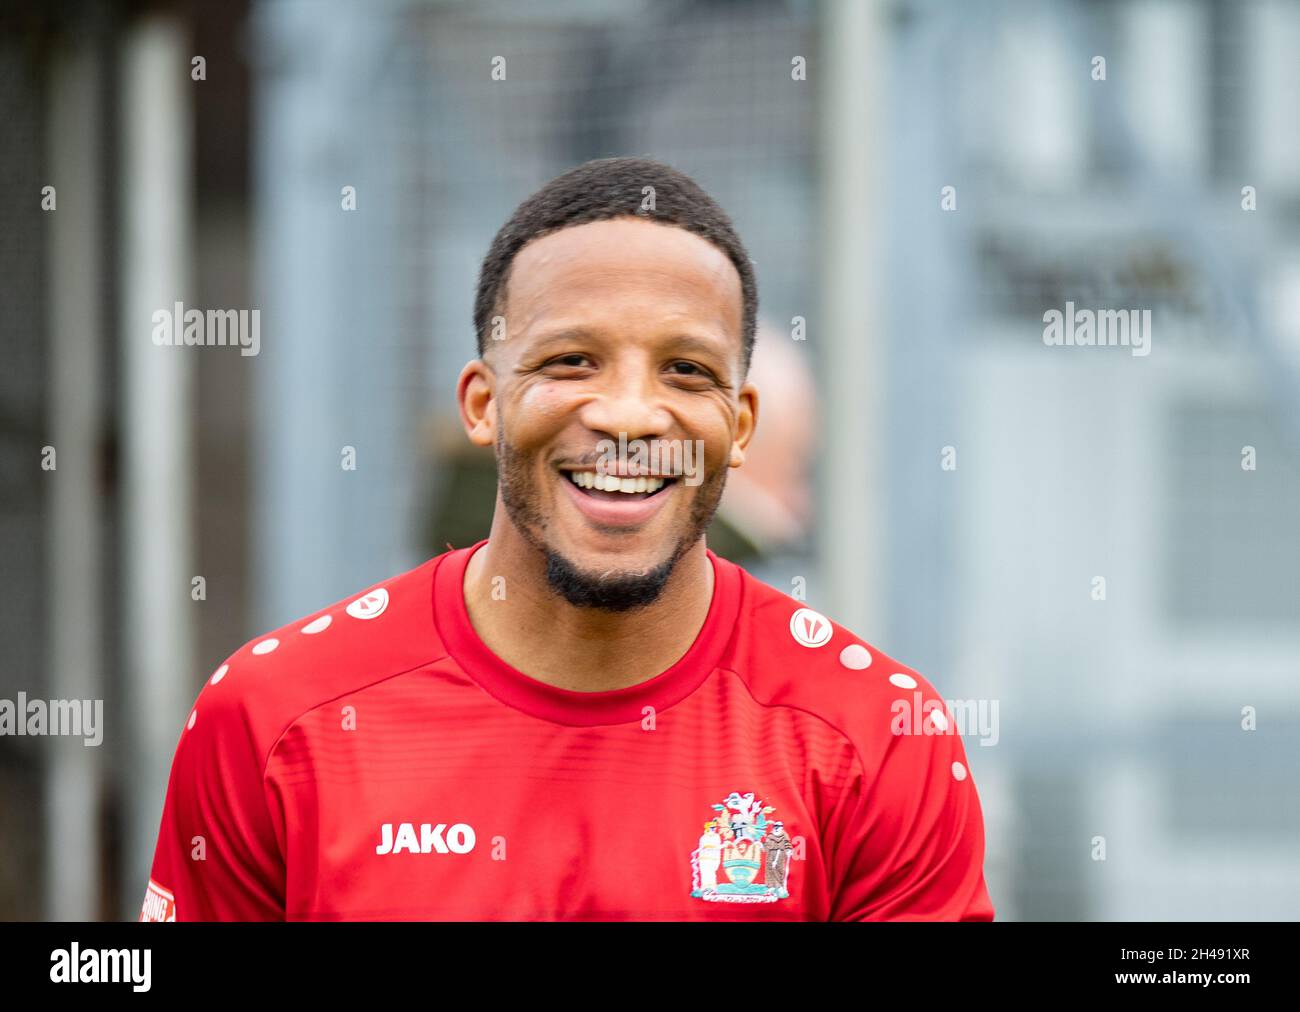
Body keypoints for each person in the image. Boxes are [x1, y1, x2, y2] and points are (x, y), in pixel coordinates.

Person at [140, 156, 994, 921]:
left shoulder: (877, 734)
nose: (628, 414)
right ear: (483, 404)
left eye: (686, 370)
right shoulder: (274, 718)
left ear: (739, 425)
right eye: (570, 361)